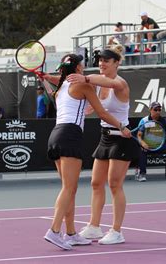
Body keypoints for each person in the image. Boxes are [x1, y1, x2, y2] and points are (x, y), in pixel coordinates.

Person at [43, 53, 131, 250]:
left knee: (71, 188)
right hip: (71, 135)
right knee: (69, 189)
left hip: (55, 136)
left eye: (105, 61)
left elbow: (67, 80)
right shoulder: (83, 84)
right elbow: (102, 113)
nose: (99, 64)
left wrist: (49, 78)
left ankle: (72, 233)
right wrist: (122, 126)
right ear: (79, 69)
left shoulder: (62, 87)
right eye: (86, 65)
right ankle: (55, 231)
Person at [67, 44, 141, 245]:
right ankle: (94, 226)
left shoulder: (120, 83)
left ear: (116, 63)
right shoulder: (98, 83)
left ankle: (117, 231)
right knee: (96, 183)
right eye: (99, 61)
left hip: (121, 138)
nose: (101, 64)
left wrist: (86, 78)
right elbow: (81, 84)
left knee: (115, 184)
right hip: (105, 137)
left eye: (106, 61)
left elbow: (102, 81)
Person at [136, 101, 166, 182]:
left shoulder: (164, 120)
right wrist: (143, 143)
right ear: (150, 110)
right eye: (155, 109)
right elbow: (139, 135)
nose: (158, 111)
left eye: (159, 110)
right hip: (148, 146)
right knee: (141, 150)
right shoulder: (144, 120)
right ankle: (141, 173)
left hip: (160, 145)